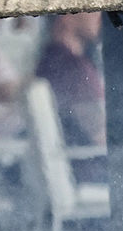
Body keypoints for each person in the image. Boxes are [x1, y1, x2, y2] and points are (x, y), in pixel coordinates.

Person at [34, 11, 106, 148]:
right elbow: (101, 135)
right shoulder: (73, 69)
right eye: (92, 8)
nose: (99, 14)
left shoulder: (51, 60)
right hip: (88, 163)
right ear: (67, 16)